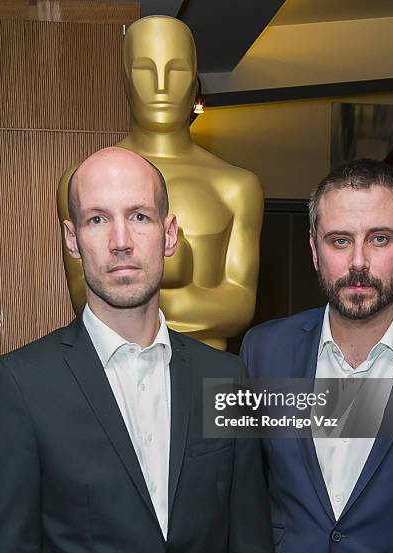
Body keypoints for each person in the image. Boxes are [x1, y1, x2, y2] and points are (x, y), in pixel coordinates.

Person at [0, 147, 280, 553]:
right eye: (97, 220)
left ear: (169, 234)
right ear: (72, 239)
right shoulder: (21, 385)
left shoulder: (228, 378)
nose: (121, 240)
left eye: (140, 216)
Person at [241, 158, 393, 553]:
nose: (358, 262)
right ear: (315, 250)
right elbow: (245, 502)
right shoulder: (263, 352)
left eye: (380, 238)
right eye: (340, 240)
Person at [57, 16, 264, 350]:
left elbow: (240, 305)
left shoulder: (236, 186)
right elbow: (83, 297)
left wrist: (141, 288)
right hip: (114, 367)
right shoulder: (83, 181)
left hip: (207, 375)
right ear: (124, 79)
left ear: (195, 80)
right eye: (144, 69)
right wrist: (178, 283)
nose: (161, 86)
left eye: (177, 70)